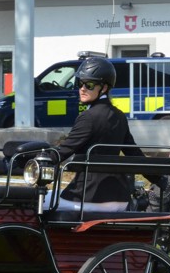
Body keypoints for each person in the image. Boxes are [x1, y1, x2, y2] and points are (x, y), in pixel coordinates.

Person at [49, 56, 147, 211]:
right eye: (80, 83)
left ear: (104, 88)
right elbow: (134, 153)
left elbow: (64, 151)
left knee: (39, 202)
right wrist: (161, 180)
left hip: (90, 197)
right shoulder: (119, 116)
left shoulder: (88, 117)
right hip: (120, 199)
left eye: (89, 84)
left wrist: (32, 159)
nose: (82, 88)